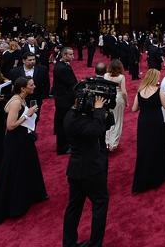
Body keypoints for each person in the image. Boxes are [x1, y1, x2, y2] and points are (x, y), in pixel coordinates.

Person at [0, 77, 47, 225]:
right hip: (16, 141)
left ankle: (30, 196)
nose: (34, 86)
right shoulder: (16, 102)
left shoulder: (21, 99)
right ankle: (13, 205)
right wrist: (27, 115)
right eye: (31, 85)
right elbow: (10, 126)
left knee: (27, 167)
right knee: (14, 171)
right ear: (23, 88)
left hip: (24, 140)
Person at [62, 86, 113, 247]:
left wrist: (100, 111)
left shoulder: (70, 115)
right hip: (91, 170)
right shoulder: (80, 122)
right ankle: (96, 243)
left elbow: (107, 124)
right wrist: (98, 111)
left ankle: (69, 243)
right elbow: (97, 130)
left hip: (75, 170)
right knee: (100, 204)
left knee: (74, 208)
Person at [132, 69, 165, 193]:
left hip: (144, 123)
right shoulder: (159, 91)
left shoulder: (140, 91)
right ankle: (158, 176)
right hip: (156, 122)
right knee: (157, 146)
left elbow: (134, 109)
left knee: (144, 148)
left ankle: (143, 178)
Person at [9, 52, 50, 121]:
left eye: (34, 59)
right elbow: (13, 86)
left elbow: (46, 83)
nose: (32, 61)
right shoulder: (14, 72)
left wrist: (42, 96)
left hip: (36, 98)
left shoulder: (42, 69)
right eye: (30, 60)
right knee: (21, 117)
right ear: (23, 61)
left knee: (35, 117)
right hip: (21, 99)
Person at [53, 47, 78, 155]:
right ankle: (63, 147)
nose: (73, 56)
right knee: (63, 123)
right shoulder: (63, 68)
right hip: (64, 100)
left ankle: (65, 145)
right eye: (71, 54)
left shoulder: (61, 65)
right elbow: (72, 84)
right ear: (64, 55)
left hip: (62, 98)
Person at [104, 59, 127, 152]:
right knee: (117, 121)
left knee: (108, 120)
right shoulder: (121, 77)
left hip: (107, 98)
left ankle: (106, 142)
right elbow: (124, 92)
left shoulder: (105, 75)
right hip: (118, 99)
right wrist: (127, 102)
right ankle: (113, 144)